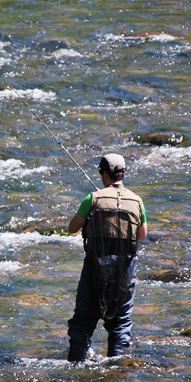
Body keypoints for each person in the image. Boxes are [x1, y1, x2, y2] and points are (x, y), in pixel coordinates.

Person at [66, 153, 147, 361]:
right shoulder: (137, 201)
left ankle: (76, 364)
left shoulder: (92, 199)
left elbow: (72, 228)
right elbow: (142, 235)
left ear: (103, 173)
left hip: (95, 269)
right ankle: (116, 369)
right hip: (124, 273)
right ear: (123, 174)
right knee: (120, 322)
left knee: (83, 321)